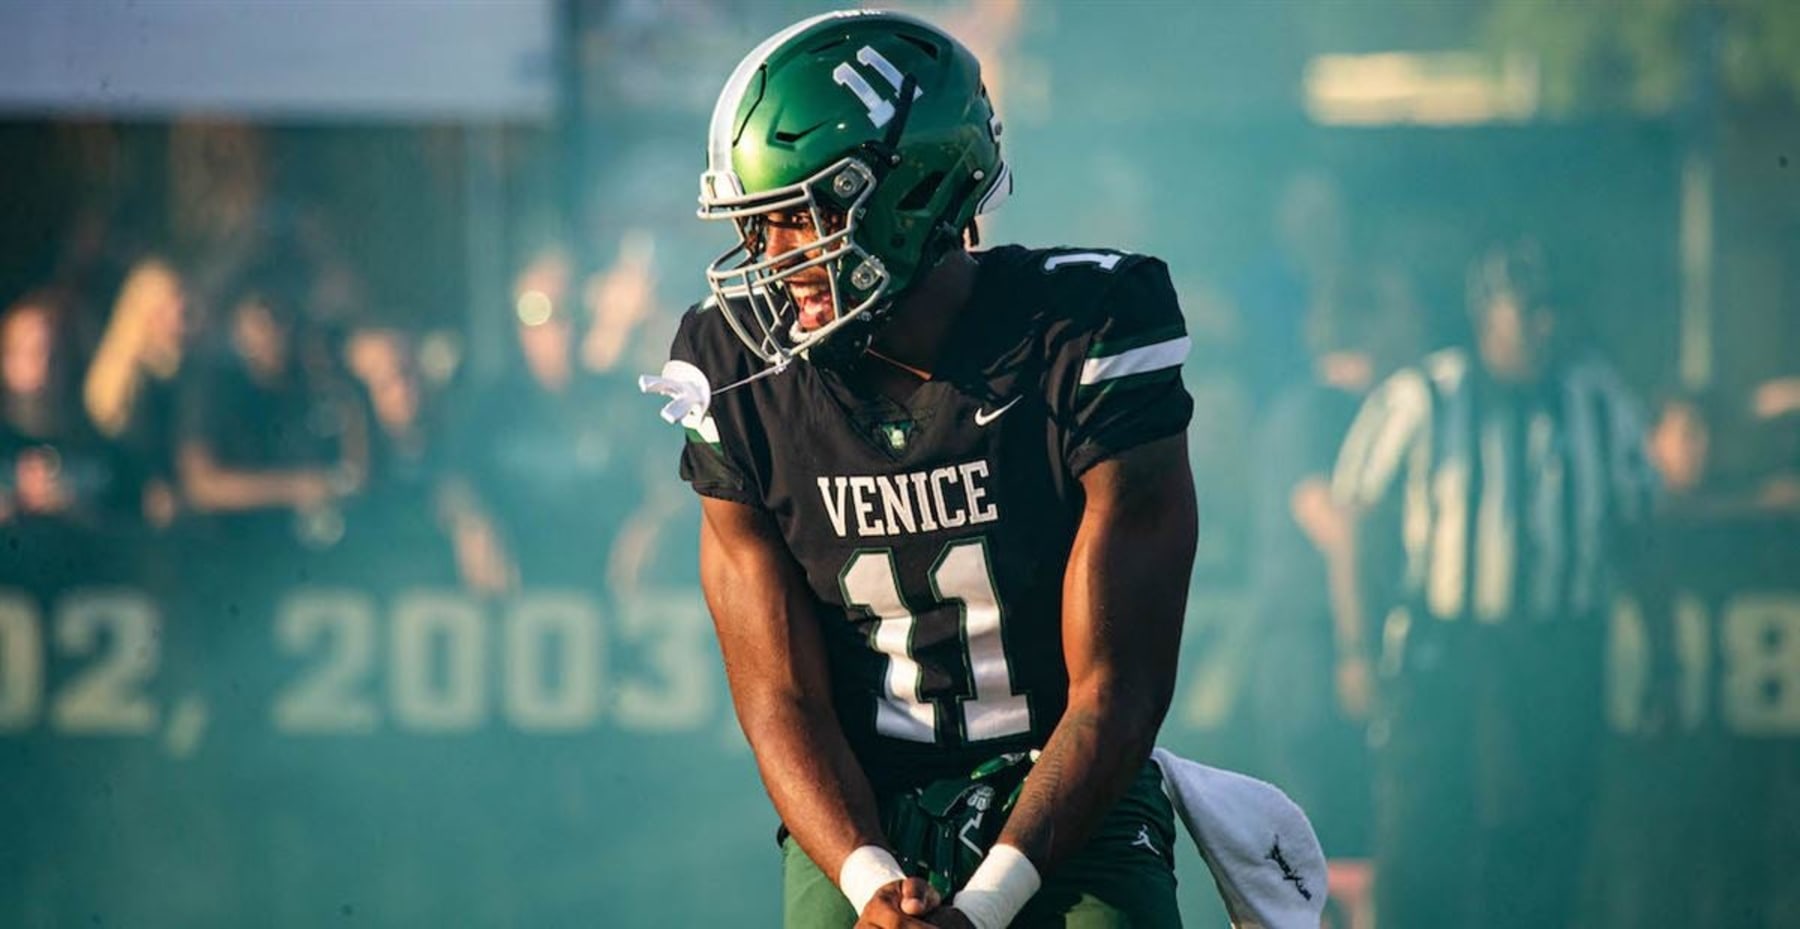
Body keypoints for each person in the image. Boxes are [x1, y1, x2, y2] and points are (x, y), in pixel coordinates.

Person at [646, 11, 1198, 929]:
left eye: (799, 216)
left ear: (910, 194)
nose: (772, 259)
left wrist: (987, 904)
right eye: (757, 224)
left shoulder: (1089, 332)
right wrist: (871, 885)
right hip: (860, 801)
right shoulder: (735, 368)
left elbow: (1120, 686)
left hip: (1068, 794)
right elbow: (776, 691)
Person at [1329, 240, 1660, 929]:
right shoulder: (1425, 395)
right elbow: (1358, 519)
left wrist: (1660, 647)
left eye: (1553, 310)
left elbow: (1637, 528)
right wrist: (1358, 646)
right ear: (1487, 312)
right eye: (1528, 309)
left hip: (1559, 648)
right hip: (1448, 650)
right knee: (1427, 830)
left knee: (1549, 831)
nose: (1544, 325)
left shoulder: (1594, 396)